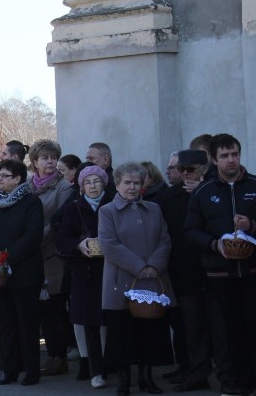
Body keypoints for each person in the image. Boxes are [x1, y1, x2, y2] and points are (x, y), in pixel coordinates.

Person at [184, 134, 256, 395]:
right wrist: (215, 245)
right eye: (225, 156)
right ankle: (238, 383)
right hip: (219, 274)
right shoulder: (204, 192)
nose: (231, 160)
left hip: (251, 271)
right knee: (230, 331)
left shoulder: (254, 185)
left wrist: (251, 227)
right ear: (214, 160)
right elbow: (191, 231)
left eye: (235, 154)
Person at [160, 149, 234, 392]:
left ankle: (227, 376)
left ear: (205, 168)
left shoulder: (218, 190)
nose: (184, 174)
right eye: (181, 169)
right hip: (185, 272)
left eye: (189, 169)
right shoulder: (169, 197)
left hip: (217, 269)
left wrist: (203, 192)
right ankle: (197, 373)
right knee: (192, 329)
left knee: (221, 328)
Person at [99, 161, 175, 396]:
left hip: (152, 279)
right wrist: (139, 266)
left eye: (136, 183)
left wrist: (153, 265)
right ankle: (124, 380)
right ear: (117, 184)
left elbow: (165, 240)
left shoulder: (154, 209)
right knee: (121, 333)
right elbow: (109, 244)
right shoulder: (107, 211)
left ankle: (146, 377)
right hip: (121, 280)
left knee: (150, 333)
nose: (132, 187)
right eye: (127, 183)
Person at [0, 159, 45, 386]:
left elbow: (32, 237)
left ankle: (32, 370)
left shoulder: (31, 202)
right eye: (0, 175)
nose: (0, 179)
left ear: (17, 179)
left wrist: (7, 256)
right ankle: (10, 369)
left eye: (5, 175)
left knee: (27, 324)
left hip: (25, 273)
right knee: (6, 323)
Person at [55, 165, 112, 388]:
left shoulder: (113, 204)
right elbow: (62, 238)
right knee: (90, 323)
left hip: (111, 270)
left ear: (104, 184)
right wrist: (79, 245)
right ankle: (95, 370)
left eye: (96, 181)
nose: (92, 186)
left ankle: (113, 365)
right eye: (87, 182)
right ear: (81, 187)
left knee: (113, 321)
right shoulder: (73, 208)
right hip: (85, 271)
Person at [27, 139, 76, 377]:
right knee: (41, 308)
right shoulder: (28, 186)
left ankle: (60, 356)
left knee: (55, 307)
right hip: (31, 255)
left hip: (53, 254)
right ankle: (50, 356)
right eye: (45, 158)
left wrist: (35, 238)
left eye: (53, 157)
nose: (50, 162)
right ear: (35, 162)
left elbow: (59, 220)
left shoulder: (64, 187)